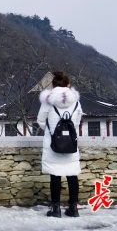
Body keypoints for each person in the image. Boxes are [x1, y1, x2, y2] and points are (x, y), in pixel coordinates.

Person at [36, 71, 83, 218]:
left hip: (53, 144)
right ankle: (73, 208)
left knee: (55, 176)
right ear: (67, 84)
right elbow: (78, 119)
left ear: (54, 84)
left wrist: (52, 132)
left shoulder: (48, 101)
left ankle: (55, 209)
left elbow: (41, 121)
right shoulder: (75, 101)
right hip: (70, 143)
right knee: (72, 175)